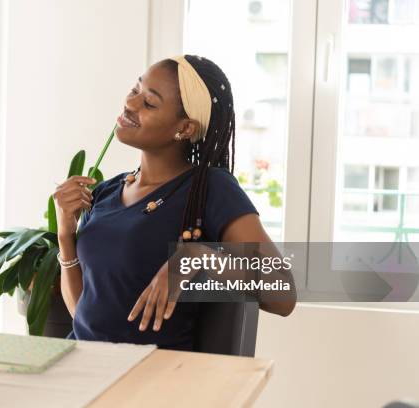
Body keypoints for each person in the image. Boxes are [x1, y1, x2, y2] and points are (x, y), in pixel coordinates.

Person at [53, 55, 296, 351]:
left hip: (156, 381)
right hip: (87, 368)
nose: (131, 104)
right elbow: (83, 317)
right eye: (135, 89)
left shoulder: (210, 188)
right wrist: (66, 234)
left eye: (150, 103)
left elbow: (282, 293)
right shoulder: (105, 193)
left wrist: (195, 256)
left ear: (185, 128)